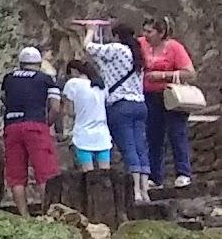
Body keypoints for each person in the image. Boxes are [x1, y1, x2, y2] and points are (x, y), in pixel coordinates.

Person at [90, 20, 151, 201]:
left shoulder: (117, 49)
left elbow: (90, 48)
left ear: (117, 36)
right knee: (141, 147)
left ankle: (136, 192)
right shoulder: (137, 53)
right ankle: (145, 189)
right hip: (140, 105)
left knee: (128, 147)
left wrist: (90, 31)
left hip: (120, 105)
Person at [0, 45, 61, 217]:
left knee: (16, 174)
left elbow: (4, 98)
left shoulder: (9, 78)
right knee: (45, 171)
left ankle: (24, 216)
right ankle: (49, 214)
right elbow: (55, 107)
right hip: (35, 125)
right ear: (38, 63)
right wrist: (47, 123)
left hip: (12, 125)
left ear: (21, 63)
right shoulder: (46, 79)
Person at [142, 15, 198, 189]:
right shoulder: (143, 46)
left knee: (177, 133)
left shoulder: (174, 48)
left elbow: (190, 73)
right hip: (150, 97)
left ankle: (183, 173)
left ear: (161, 32)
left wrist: (163, 76)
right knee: (153, 136)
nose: (145, 35)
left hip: (171, 96)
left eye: (149, 31)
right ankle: (155, 176)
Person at [58, 55, 113, 186]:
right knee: (105, 174)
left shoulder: (73, 84)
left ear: (73, 72)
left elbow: (69, 111)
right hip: (103, 135)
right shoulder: (100, 84)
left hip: (83, 135)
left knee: (88, 175)